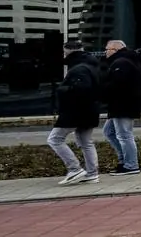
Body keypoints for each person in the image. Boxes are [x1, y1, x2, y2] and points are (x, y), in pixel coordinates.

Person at [47, 42, 102, 185]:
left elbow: (81, 89)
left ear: (69, 52)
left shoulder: (79, 69)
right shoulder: (92, 65)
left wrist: (62, 89)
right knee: (86, 142)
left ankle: (74, 168)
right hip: (90, 110)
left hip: (75, 111)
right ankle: (92, 174)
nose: (64, 55)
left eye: (65, 52)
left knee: (55, 139)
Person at [99, 39, 141, 174]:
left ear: (116, 50)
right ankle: (124, 161)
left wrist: (103, 90)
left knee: (124, 135)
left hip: (123, 105)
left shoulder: (121, 63)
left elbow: (118, 84)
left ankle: (131, 165)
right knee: (109, 132)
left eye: (107, 49)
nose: (105, 52)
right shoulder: (125, 61)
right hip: (120, 105)